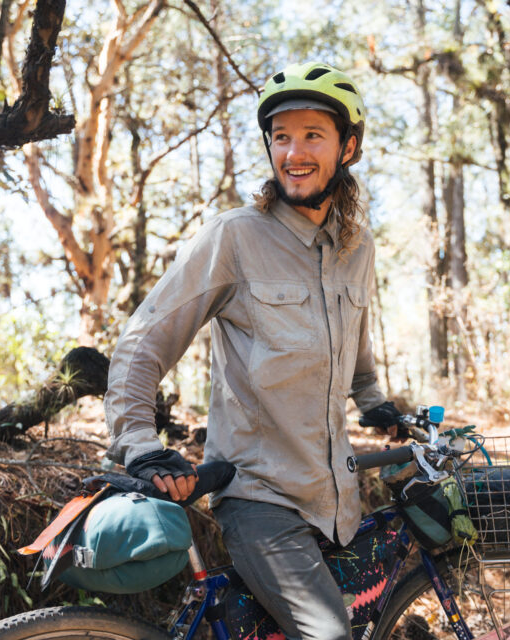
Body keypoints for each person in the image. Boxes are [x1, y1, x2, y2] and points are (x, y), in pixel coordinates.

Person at [105, 61, 401, 640]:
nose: (295, 151)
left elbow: (354, 338)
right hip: (259, 498)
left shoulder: (356, 246)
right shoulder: (235, 237)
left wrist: (373, 400)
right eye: (281, 137)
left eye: (313, 134)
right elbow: (145, 338)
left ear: (349, 147)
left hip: (335, 501)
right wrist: (139, 443)